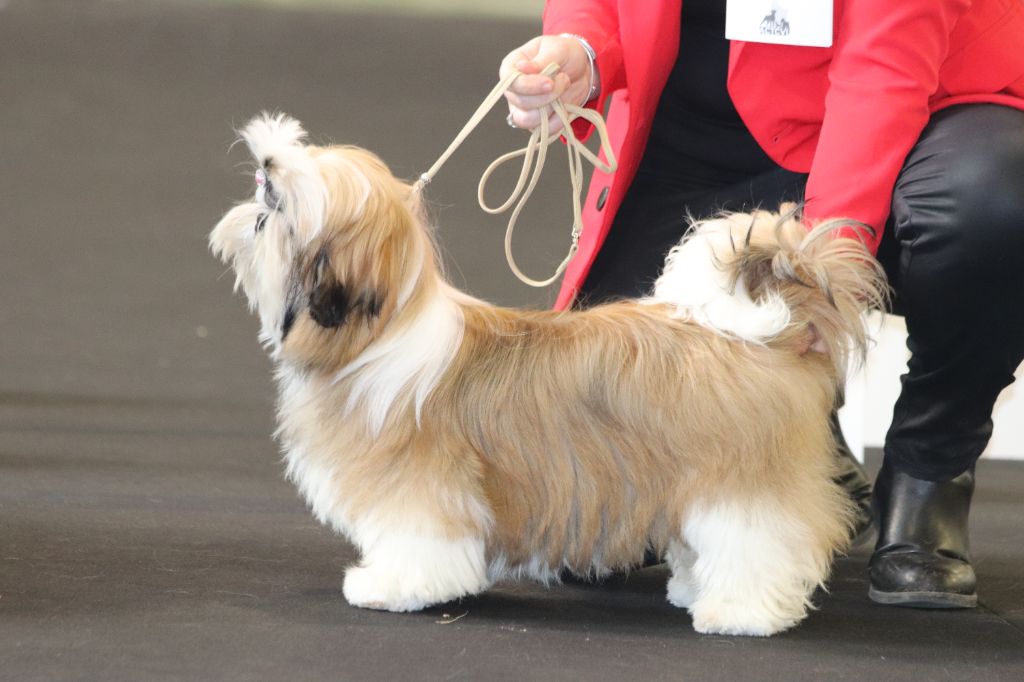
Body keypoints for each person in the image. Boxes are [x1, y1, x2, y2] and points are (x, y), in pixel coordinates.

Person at [500, 0, 1024, 608]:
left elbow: (882, 70)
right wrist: (582, 53)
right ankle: (809, 452)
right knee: (602, 517)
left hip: (926, 114)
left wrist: (821, 279)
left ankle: (929, 471)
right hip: (696, 133)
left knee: (992, 206)